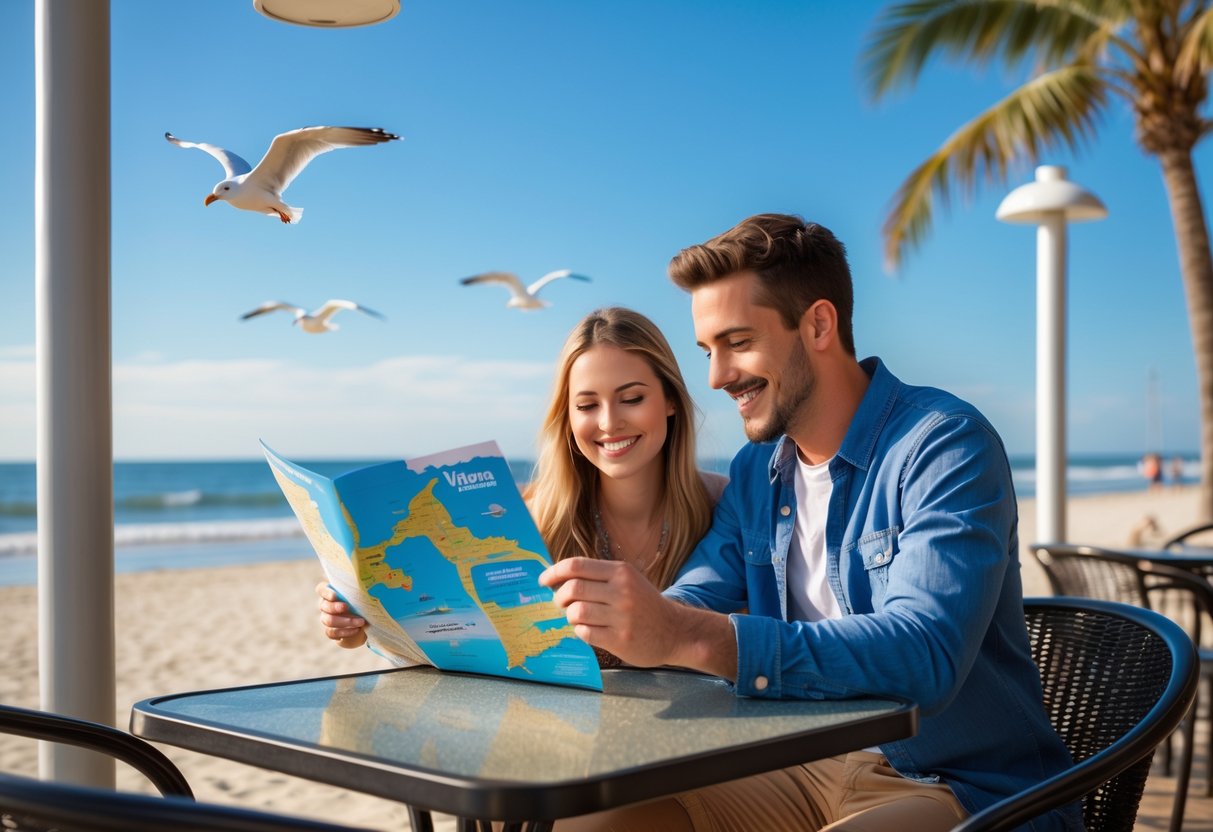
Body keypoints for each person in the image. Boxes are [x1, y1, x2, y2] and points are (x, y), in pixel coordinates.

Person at [541, 214, 1081, 831]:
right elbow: (696, 593)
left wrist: (692, 637)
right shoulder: (755, 472)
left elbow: (925, 653)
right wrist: (613, 628)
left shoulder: (943, 446)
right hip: (796, 764)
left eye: (737, 343)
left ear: (819, 324)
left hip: (959, 787)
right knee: (588, 822)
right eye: (707, 351)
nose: (716, 377)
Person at [316, 306, 728, 656]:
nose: (608, 422)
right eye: (586, 404)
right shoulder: (525, 522)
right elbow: (464, 640)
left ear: (671, 399)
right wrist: (363, 626)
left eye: (632, 398)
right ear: (567, 417)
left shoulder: (724, 506)